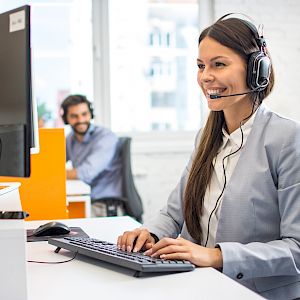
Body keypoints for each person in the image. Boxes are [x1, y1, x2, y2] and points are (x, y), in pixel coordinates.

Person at [117, 14, 300, 299]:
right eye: (201, 66)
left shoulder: (287, 139)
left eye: (219, 64)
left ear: (256, 70)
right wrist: (149, 233)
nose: (205, 77)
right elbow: (174, 211)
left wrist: (216, 256)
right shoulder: (207, 136)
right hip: (199, 285)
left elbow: (296, 248)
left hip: (254, 292)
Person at [61, 94, 123, 217]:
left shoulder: (105, 137)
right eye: (74, 116)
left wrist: (52, 174)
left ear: (91, 114)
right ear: (66, 119)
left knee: (65, 221)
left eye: (84, 114)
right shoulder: (71, 139)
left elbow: (86, 172)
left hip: (103, 206)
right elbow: (55, 160)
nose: (80, 120)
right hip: (87, 199)